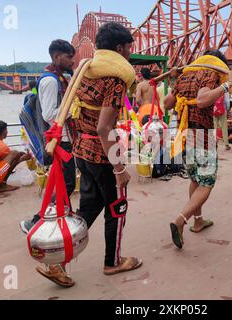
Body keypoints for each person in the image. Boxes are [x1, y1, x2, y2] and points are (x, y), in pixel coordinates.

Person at [69, 22, 142, 281]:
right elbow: (104, 127)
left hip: (82, 151)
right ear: (120, 48)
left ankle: (59, 257)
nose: (130, 54)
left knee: (89, 207)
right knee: (116, 208)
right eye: (130, 48)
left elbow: (73, 115)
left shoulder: (86, 71)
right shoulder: (115, 78)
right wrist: (119, 168)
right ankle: (113, 262)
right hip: (103, 155)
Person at [164, 49, 232, 249]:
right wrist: (229, 83)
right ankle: (181, 219)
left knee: (194, 179)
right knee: (206, 183)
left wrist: (174, 81)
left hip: (184, 135)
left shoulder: (186, 75)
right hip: (202, 136)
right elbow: (202, 100)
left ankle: (198, 221)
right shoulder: (210, 74)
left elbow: (167, 104)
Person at [20, 40, 77, 233]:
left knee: (64, 182)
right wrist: (74, 106)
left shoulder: (58, 77)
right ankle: (36, 222)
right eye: (69, 57)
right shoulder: (51, 81)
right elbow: (50, 115)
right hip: (60, 143)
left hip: (64, 140)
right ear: (56, 57)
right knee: (67, 183)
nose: (72, 61)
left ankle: (64, 215)